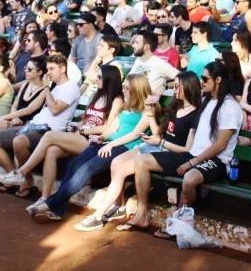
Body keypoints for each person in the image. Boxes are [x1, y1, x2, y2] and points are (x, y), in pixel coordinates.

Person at [121, 61, 243, 232]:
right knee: (141, 161)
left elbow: (221, 145)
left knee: (189, 178)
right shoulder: (206, 100)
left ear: (218, 80)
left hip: (218, 161)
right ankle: (142, 215)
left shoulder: (230, 106)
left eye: (205, 79)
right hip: (192, 155)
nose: (201, 82)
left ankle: (176, 224)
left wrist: (192, 162)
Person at [74, 71, 201, 231]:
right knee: (116, 163)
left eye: (177, 86)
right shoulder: (175, 107)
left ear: (188, 87)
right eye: (174, 86)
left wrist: (161, 142)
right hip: (156, 146)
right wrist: (149, 112)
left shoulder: (196, 113)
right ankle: (119, 207)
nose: (174, 90)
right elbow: (157, 133)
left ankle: (98, 215)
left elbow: (187, 149)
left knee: (121, 169)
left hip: (172, 153)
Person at [27, 73, 155, 222]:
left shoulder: (148, 110)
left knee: (86, 169)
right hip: (108, 144)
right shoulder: (126, 106)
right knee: (75, 163)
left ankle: (49, 204)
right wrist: (101, 138)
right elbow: (113, 129)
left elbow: (134, 134)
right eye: (123, 87)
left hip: (125, 148)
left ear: (136, 89)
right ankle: (57, 210)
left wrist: (110, 144)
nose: (123, 90)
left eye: (127, 87)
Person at [0, 64, 123, 198]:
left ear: (109, 79)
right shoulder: (95, 96)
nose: (96, 79)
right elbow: (84, 121)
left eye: (100, 77)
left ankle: (21, 173)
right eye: (97, 76)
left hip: (93, 142)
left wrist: (85, 131)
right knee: (51, 151)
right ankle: (44, 197)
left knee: (49, 135)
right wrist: (76, 126)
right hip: (79, 136)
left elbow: (107, 127)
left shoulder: (116, 100)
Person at [0, 54, 81, 196]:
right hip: (32, 125)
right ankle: (17, 177)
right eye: (48, 69)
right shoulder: (55, 87)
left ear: (63, 69)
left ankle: (24, 179)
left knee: (19, 141)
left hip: (48, 130)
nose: (48, 72)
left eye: (52, 69)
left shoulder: (71, 87)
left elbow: (55, 109)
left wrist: (46, 88)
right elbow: (34, 107)